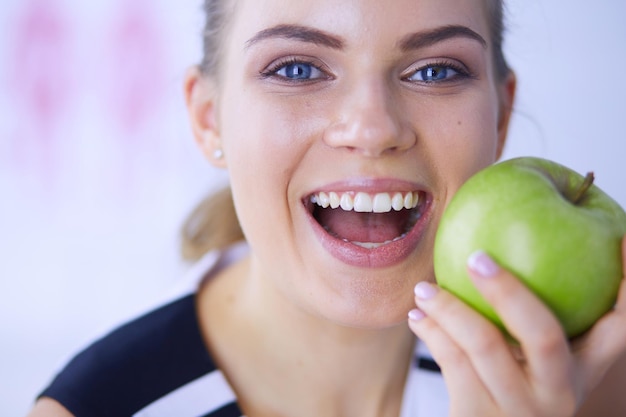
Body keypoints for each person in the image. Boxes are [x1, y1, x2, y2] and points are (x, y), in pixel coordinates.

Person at [27, 0, 626, 416]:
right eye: (297, 68)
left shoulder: (570, 380)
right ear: (209, 118)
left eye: (436, 70)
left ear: (500, 117)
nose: (372, 128)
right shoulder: (99, 408)